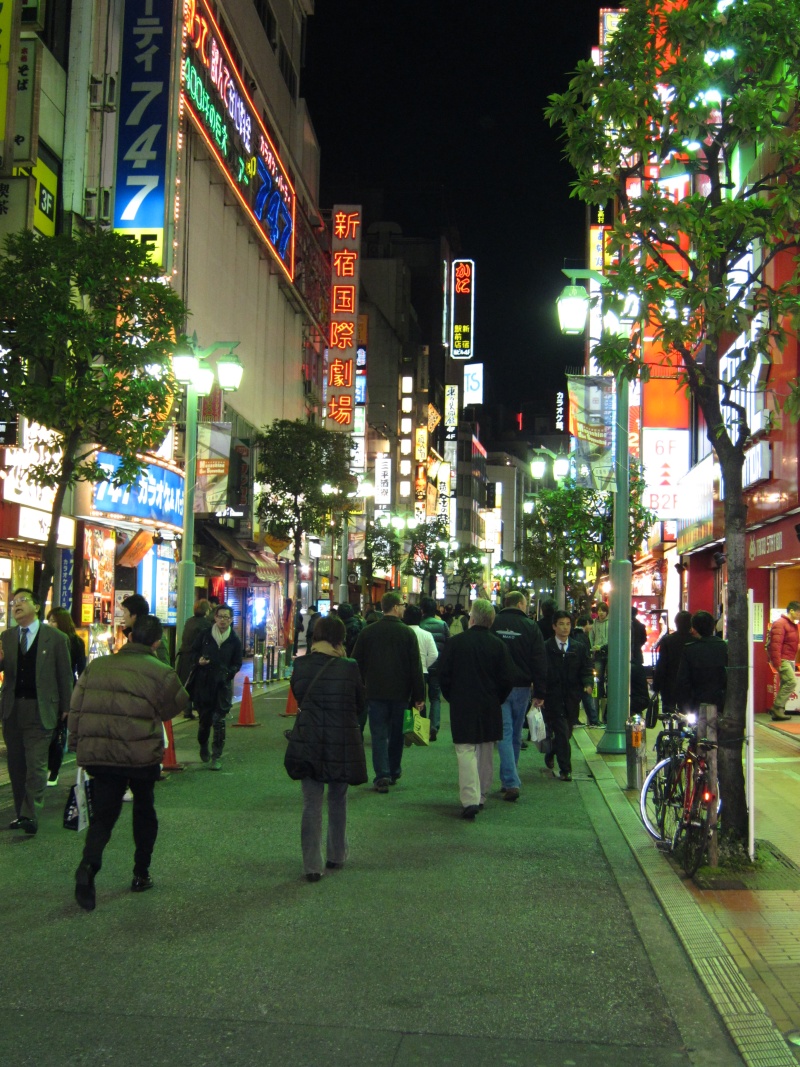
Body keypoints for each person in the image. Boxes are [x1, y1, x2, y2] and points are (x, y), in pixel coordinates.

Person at [68, 615, 189, 911]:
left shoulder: (97, 666)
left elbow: (76, 707)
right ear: (157, 642)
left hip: (100, 753)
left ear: (130, 636)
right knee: (144, 810)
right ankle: (140, 872)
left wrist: (76, 746)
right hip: (140, 755)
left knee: (104, 816)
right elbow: (177, 704)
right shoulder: (160, 672)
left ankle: (88, 865)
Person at [284, 615, 367, 881]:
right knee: (337, 798)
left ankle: (311, 865)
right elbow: (359, 702)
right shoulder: (349, 666)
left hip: (309, 740)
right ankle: (336, 854)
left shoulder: (301, 665)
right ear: (340, 639)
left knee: (311, 802)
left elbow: (299, 696)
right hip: (340, 741)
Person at [0, 588, 74, 835]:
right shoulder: (7, 637)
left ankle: (30, 815)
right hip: (12, 708)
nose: (16, 605)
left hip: (41, 708)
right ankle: (22, 813)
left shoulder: (55, 638)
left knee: (36, 764)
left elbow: (65, 676)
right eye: (13, 602)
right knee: (16, 764)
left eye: (22, 601)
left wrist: (67, 707)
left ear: (37, 607)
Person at [437, 599, 515, 819]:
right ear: (490, 621)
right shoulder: (499, 645)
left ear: (471, 618)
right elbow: (508, 679)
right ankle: (481, 795)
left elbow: (444, 675)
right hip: (490, 704)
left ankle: (470, 798)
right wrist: (497, 698)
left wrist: (452, 696)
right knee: (486, 750)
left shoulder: (456, 643)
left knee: (465, 750)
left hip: (463, 703)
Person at [351, 591, 425, 793]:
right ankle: (393, 770)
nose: (403, 608)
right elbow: (415, 667)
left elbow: (356, 662)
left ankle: (381, 774)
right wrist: (419, 695)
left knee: (378, 734)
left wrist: (360, 687)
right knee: (397, 734)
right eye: (402, 605)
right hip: (401, 693)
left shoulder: (368, 632)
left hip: (375, 691)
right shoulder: (407, 633)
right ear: (394, 607)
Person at [490, 590, 547, 801]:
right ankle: (511, 779)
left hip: (499, 687)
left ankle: (509, 779)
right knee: (514, 734)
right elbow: (539, 661)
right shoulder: (531, 627)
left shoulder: (494, 623)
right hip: (523, 687)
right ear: (521, 605)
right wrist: (540, 692)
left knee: (504, 733)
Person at [189, 603, 243, 770]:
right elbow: (193, 652)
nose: (223, 620)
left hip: (222, 686)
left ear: (231, 619)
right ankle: (203, 745)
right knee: (204, 721)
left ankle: (216, 756)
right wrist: (199, 660)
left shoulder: (234, 640)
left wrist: (228, 674)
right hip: (204, 684)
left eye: (226, 617)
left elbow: (237, 663)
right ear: (215, 617)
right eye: (220, 617)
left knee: (219, 721)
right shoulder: (205, 635)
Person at [542, 611, 594, 782]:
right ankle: (565, 769)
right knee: (562, 731)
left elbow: (586, 669)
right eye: (561, 624)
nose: (565, 628)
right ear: (554, 626)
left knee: (567, 731)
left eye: (568, 624)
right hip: (553, 696)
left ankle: (551, 751)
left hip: (572, 697)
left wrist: (587, 683)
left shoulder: (578, 648)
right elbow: (540, 671)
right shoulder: (546, 647)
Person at [45, 607, 87, 786]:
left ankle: (53, 770)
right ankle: (47, 768)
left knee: (59, 732)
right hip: (47, 690)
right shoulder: (45, 640)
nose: (50, 624)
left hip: (64, 690)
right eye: (49, 621)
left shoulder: (75, 642)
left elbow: (81, 670)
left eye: (53, 621)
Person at [675, 610, 728, 717]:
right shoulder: (723, 646)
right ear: (713, 627)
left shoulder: (690, 649)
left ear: (694, 628)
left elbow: (683, 680)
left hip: (696, 701)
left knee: (698, 730)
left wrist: (682, 704)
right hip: (720, 700)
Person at [174, 599, 212, 720]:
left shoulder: (189, 621)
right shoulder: (206, 624)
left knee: (186, 683)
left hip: (184, 656)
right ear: (206, 611)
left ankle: (187, 710)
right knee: (198, 684)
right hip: (196, 657)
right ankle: (200, 710)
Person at [419, 596, 450, 741]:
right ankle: (434, 726)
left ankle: (421, 728)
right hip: (438, 666)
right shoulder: (443, 624)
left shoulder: (419, 625)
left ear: (422, 610)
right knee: (435, 698)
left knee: (420, 696)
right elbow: (448, 645)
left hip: (422, 666)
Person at [652, 611, 694, 714]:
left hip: (669, 684)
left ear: (676, 623)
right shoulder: (695, 641)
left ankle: (669, 728)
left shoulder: (668, 640)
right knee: (686, 714)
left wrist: (656, 684)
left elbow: (661, 664)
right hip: (689, 685)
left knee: (668, 714)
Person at [766, 602, 800, 721]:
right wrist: (777, 663)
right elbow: (775, 645)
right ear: (791, 611)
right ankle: (777, 707)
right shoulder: (780, 624)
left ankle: (778, 712)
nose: (799, 614)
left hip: (789, 658)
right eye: (798, 611)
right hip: (783, 659)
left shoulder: (792, 625)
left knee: (785, 684)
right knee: (791, 682)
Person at [403, 604, 439, 698]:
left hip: (403, 673)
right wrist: (424, 664)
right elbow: (434, 654)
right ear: (420, 617)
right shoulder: (426, 634)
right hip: (422, 672)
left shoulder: (401, 633)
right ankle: (417, 713)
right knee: (418, 702)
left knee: (404, 701)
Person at [121, 593, 169, 664]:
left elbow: (163, 665)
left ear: (134, 615)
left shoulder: (154, 634)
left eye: (125, 612)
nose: (123, 616)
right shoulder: (133, 633)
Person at [572, 616, 601, 727]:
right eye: (591, 624)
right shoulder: (582, 637)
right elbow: (585, 657)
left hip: (577, 672)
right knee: (586, 695)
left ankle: (578, 719)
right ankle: (593, 720)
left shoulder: (574, 635)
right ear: (587, 623)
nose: (591, 627)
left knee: (581, 696)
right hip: (582, 672)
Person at [590, 602, 610, 721]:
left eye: (603, 610)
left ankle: (606, 713)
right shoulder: (594, 623)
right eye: (599, 610)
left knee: (609, 681)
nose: (601, 612)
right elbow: (591, 637)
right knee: (597, 680)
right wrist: (593, 647)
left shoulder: (610, 622)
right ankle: (596, 714)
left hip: (608, 653)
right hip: (597, 654)